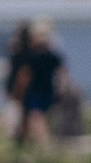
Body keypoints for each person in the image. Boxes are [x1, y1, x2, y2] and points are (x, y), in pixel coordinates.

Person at [14, 18, 64, 149]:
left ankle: (43, 144)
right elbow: (61, 74)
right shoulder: (53, 56)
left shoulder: (32, 57)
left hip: (34, 91)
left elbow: (24, 76)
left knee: (35, 117)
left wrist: (18, 91)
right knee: (39, 118)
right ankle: (35, 143)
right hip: (48, 90)